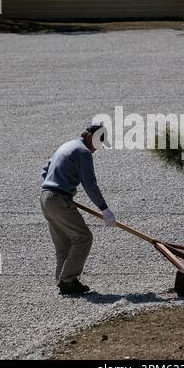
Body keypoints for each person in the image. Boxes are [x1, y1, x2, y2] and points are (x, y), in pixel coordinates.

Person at [40, 124, 116, 295]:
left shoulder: (66, 145)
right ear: (89, 137)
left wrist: (55, 185)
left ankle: (63, 280)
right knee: (83, 237)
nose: (98, 148)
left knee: (64, 243)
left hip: (46, 198)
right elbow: (89, 184)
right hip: (59, 200)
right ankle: (68, 280)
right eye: (98, 142)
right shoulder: (83, 152)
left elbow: (46, 171)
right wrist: (104, 209)